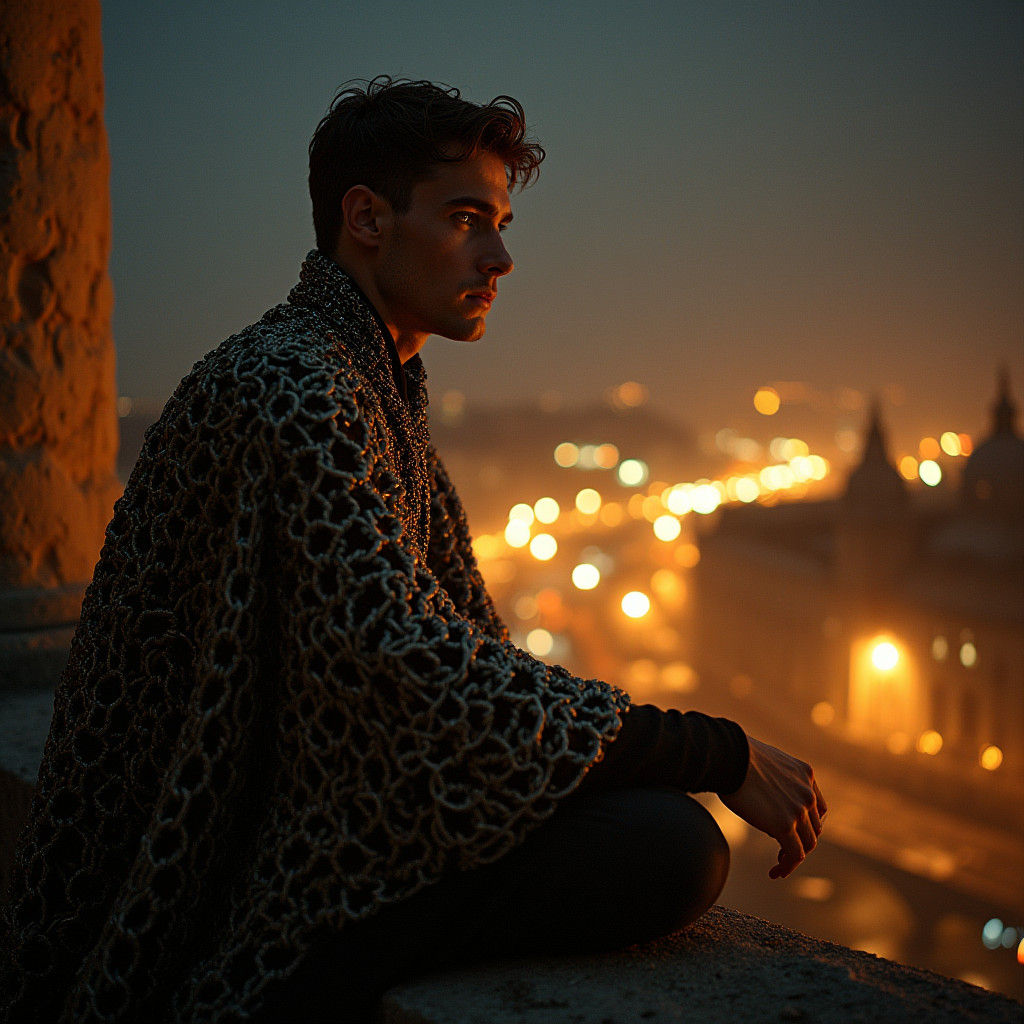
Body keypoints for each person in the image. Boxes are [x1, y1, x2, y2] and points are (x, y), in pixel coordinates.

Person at [0, 77, 826, 1024]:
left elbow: (463, 659)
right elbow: (415, 671)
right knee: (668, 850)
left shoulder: (372, 385)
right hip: (223, 872)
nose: (500, 257)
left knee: (650, 836)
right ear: (366, 219)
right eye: (467, 219)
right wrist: (711, 750)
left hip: (307, 808)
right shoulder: (293, 384)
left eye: (501, 224)